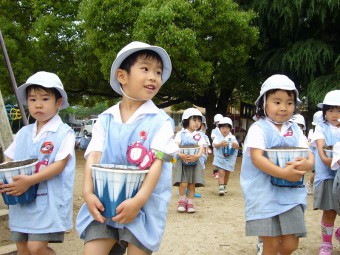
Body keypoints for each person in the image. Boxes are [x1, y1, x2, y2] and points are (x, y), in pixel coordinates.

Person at [75, 41, 179, 255]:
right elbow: (94, 155)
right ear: (122, 76)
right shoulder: (105, 119)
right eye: (145, 69)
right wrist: (87, 193)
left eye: (158, 72)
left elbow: (158, 162)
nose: (153, 77)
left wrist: (137, 201)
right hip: (105, 200)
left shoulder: (161, 121)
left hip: (144, 205)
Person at [0, 71, 75, 255]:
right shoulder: (24, 133)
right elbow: (8, 160)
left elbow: (59, 164)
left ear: (58, 102)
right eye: (32, 99)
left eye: (44, 99)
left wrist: (29, 180)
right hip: (22, 202)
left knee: (37, 247)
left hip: (47, 202)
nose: (38, 105)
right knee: (23, 248)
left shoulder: (64, 132)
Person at [240, 74, 314, 255]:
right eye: (277, 102)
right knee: (271, 246)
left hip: (292, 196)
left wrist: (307, 165)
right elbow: (257, 158)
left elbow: (310, 157)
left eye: (289, 103)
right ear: (264, 103)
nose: (284, 108)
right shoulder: (258, 128)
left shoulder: (295, 129)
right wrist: (284, 174)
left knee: (290, 245)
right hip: (264, 195)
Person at [310, 90, 340, 254]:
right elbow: (322, 154)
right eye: (331, 110)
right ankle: (326, 243)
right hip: (328, 175)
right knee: (329, 211)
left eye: (339, 110)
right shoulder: (321, 129)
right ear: (324, 112)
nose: (335, 114)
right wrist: (330, 160)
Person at [173, 107, 206, 213]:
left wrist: (198, 155)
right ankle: (182, 201)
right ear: (187, 120)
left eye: (199, 121)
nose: (197, 123)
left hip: (195, 161)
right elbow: (176, 146)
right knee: (183, 182)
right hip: (182, 161)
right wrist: (180, 155)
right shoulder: (180, 134)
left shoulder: (199, 134)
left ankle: (190, 202)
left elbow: (201, 146)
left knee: (192, 183)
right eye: (194, 120)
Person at [212, 117, 239, 195]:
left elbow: (237, 146)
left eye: (227, 127)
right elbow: (215, 145)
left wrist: (235, 145)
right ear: (219, 129)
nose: (225, 130)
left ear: (230, 129)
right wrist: (221, 144)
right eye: (223, 127)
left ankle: (224, 186)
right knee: (221, 172)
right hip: (220, 158)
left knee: (227, 173)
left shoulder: (232, 137)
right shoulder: (217, 137)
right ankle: (220, 187)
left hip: (229, 159)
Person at [306, 111, 323, 195]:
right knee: (316, 171)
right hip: (315, 154)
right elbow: (310, 144)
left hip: (322, 153)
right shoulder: (312, 132)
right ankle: (310, 184)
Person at [211, 113, 223, 178]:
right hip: (216, 147)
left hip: (222, 147)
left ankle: (221, 172)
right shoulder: (214, 131)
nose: (218, 123)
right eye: (217, 122)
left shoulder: (224, 129)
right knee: (216, 160)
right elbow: (213, 138)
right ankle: (215, 172)